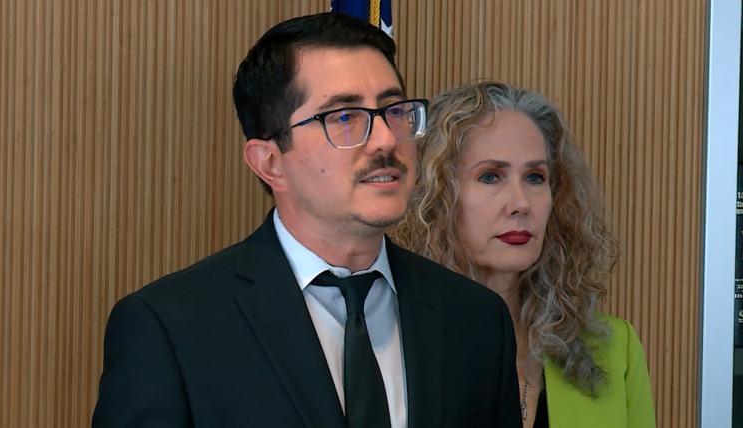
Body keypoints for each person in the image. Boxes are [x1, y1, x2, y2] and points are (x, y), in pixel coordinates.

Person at [92, 13, 522, 428]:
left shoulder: (476, 319)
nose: (386, 140)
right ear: (270, 162)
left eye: (394, 110)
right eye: (345, 117)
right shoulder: (172, 328)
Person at [390, 81, 656, 428]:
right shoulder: (389, 344)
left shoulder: (615, 351)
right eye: (490, 176)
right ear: (435, 196)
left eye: (534, 177)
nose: (520, 203)